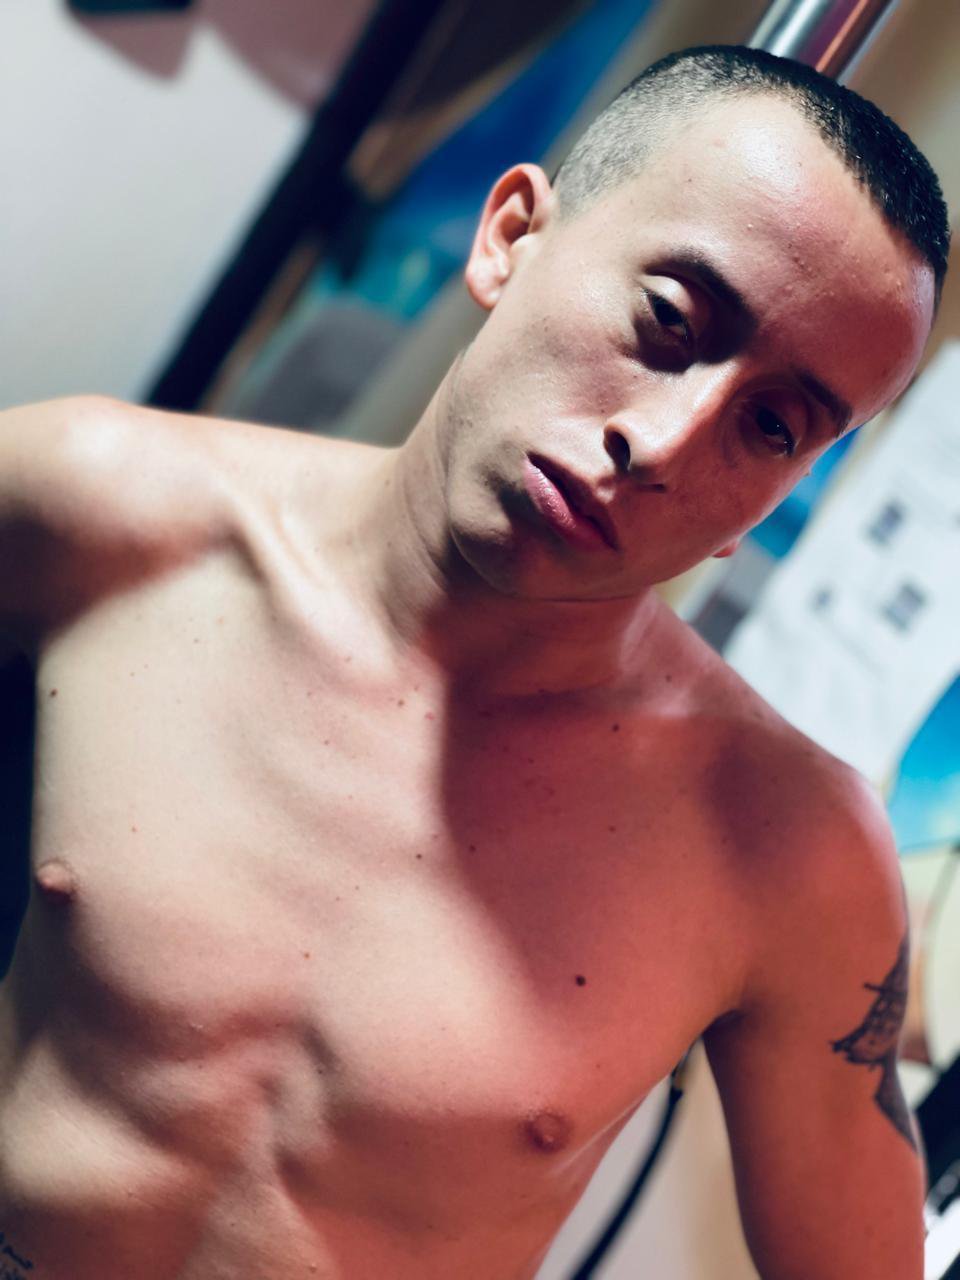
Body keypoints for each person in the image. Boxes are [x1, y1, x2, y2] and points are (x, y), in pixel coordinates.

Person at [0, 43, 949, 1280]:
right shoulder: (100, 510)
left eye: (771, 425)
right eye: (668, 321)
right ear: (512, 236)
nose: (664, 442)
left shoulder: (787, 846)